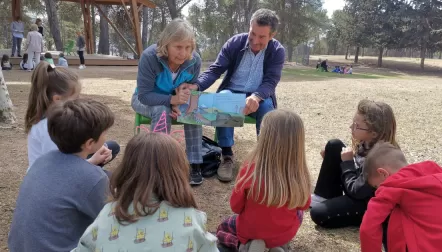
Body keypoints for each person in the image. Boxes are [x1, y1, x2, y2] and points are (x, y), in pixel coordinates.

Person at [71, 133, 219, 252]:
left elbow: (84, 246)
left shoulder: (110, 212)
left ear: (127, 169)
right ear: (178, 171)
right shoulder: (191, 217)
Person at [8, 99, 114, 252]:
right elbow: (111, 219)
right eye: (105, 133)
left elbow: (68, 179)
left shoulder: (43, 160)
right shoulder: (93, 178)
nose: (106, 137)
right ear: (90, 143)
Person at [194, 8, 285, 182]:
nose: (255, 41)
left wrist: (257, 96)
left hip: (260, 95)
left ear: (272, 35)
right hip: (233, 90)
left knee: (267, 110)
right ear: (250, 26)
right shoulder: (235, 43)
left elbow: (271, 81)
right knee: (225, 97)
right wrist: (196, 85)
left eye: (262, 37)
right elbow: (215, 70)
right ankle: (227, 155)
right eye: (253, 34)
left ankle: (265, 160)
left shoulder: (277, 51)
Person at [216, 109, 311, 252]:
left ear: (264, 137)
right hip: (282, 234)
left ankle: (244, 246)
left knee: (223, 227)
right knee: (299, 213)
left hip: (250, 232)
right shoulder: (300, 174)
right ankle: (278, 246)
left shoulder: (248, 169)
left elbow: (236, 207)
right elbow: (304, 205)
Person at [360, 142, 442, 252]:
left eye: (377, 186)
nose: (378, 190)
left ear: (383, 173)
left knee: (395, 216)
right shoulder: (439, 176)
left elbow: (368, 227)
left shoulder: (392, 187)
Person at [131, 18, 204, 185]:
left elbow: (190, 87)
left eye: (187, 47)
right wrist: (171, 101)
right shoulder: (150, 57)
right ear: (166, 44)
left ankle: (194, 163)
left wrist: (181, 98)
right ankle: (158, 164)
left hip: (175, 99)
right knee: (161, 111)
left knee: (193, 109)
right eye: (178, 47)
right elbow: (144, 95)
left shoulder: (194, 61)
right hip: (146, 99)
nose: (183, 53)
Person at [309, 100, 398, 232]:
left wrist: (347, 163)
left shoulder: (379, 158)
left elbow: (357, 192)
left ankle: (363, 218)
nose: (351, 127)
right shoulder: (367, 143)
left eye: (357, 125)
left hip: (366, 202)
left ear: (374, 133)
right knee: (334, 145)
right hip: (357, 187)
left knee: (318, 214)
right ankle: (323, 196)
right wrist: (331, 162)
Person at [24, 62, 120, 173]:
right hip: (51, 178)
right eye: (76, 97)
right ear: (57, 99)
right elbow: (59, 170)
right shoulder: (47, 128)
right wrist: (93, 162)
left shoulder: (58, 119)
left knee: (111, 147)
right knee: (107, 177)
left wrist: (98, 148)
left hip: (62, 167)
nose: (79, 100)